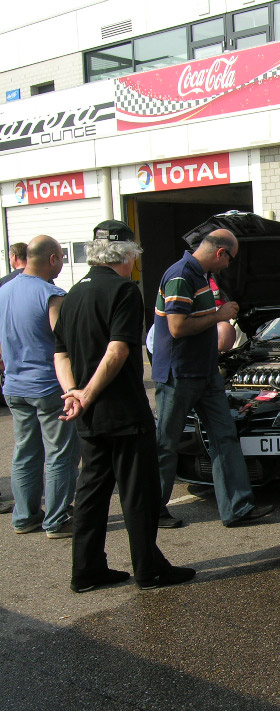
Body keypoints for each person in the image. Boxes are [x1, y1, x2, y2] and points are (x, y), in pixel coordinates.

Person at [53, 220, 194, 592]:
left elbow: (60, 353)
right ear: (129, 254)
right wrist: (87, 393)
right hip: (123, 411)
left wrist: (75, 393)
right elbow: (118, 350)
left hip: (89, 414)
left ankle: (87, 570)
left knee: (92, 492)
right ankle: (149, 569)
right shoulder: (124, 291)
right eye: (135, 255)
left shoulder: (73, 292)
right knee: (138, 492)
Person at [151, 229, 275, 528]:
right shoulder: (181, 275)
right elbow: (177, 327)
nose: (228, 267)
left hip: (205, 373)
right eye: (229, 260)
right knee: (166, 443)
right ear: (221, 252)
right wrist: (220, 316)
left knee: (225, 437)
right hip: (178, 374)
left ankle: (237, 508)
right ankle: (151, 510)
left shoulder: (201, 274)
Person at [0, 235, 79, 537]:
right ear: (52, 259)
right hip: (47, 386)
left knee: (25, 451)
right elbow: (65, 343)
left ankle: (25, 516)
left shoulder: (4, 291)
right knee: (60, 453)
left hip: (14, 385)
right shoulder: (52, 295)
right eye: (61, 257)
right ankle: (57, 520)